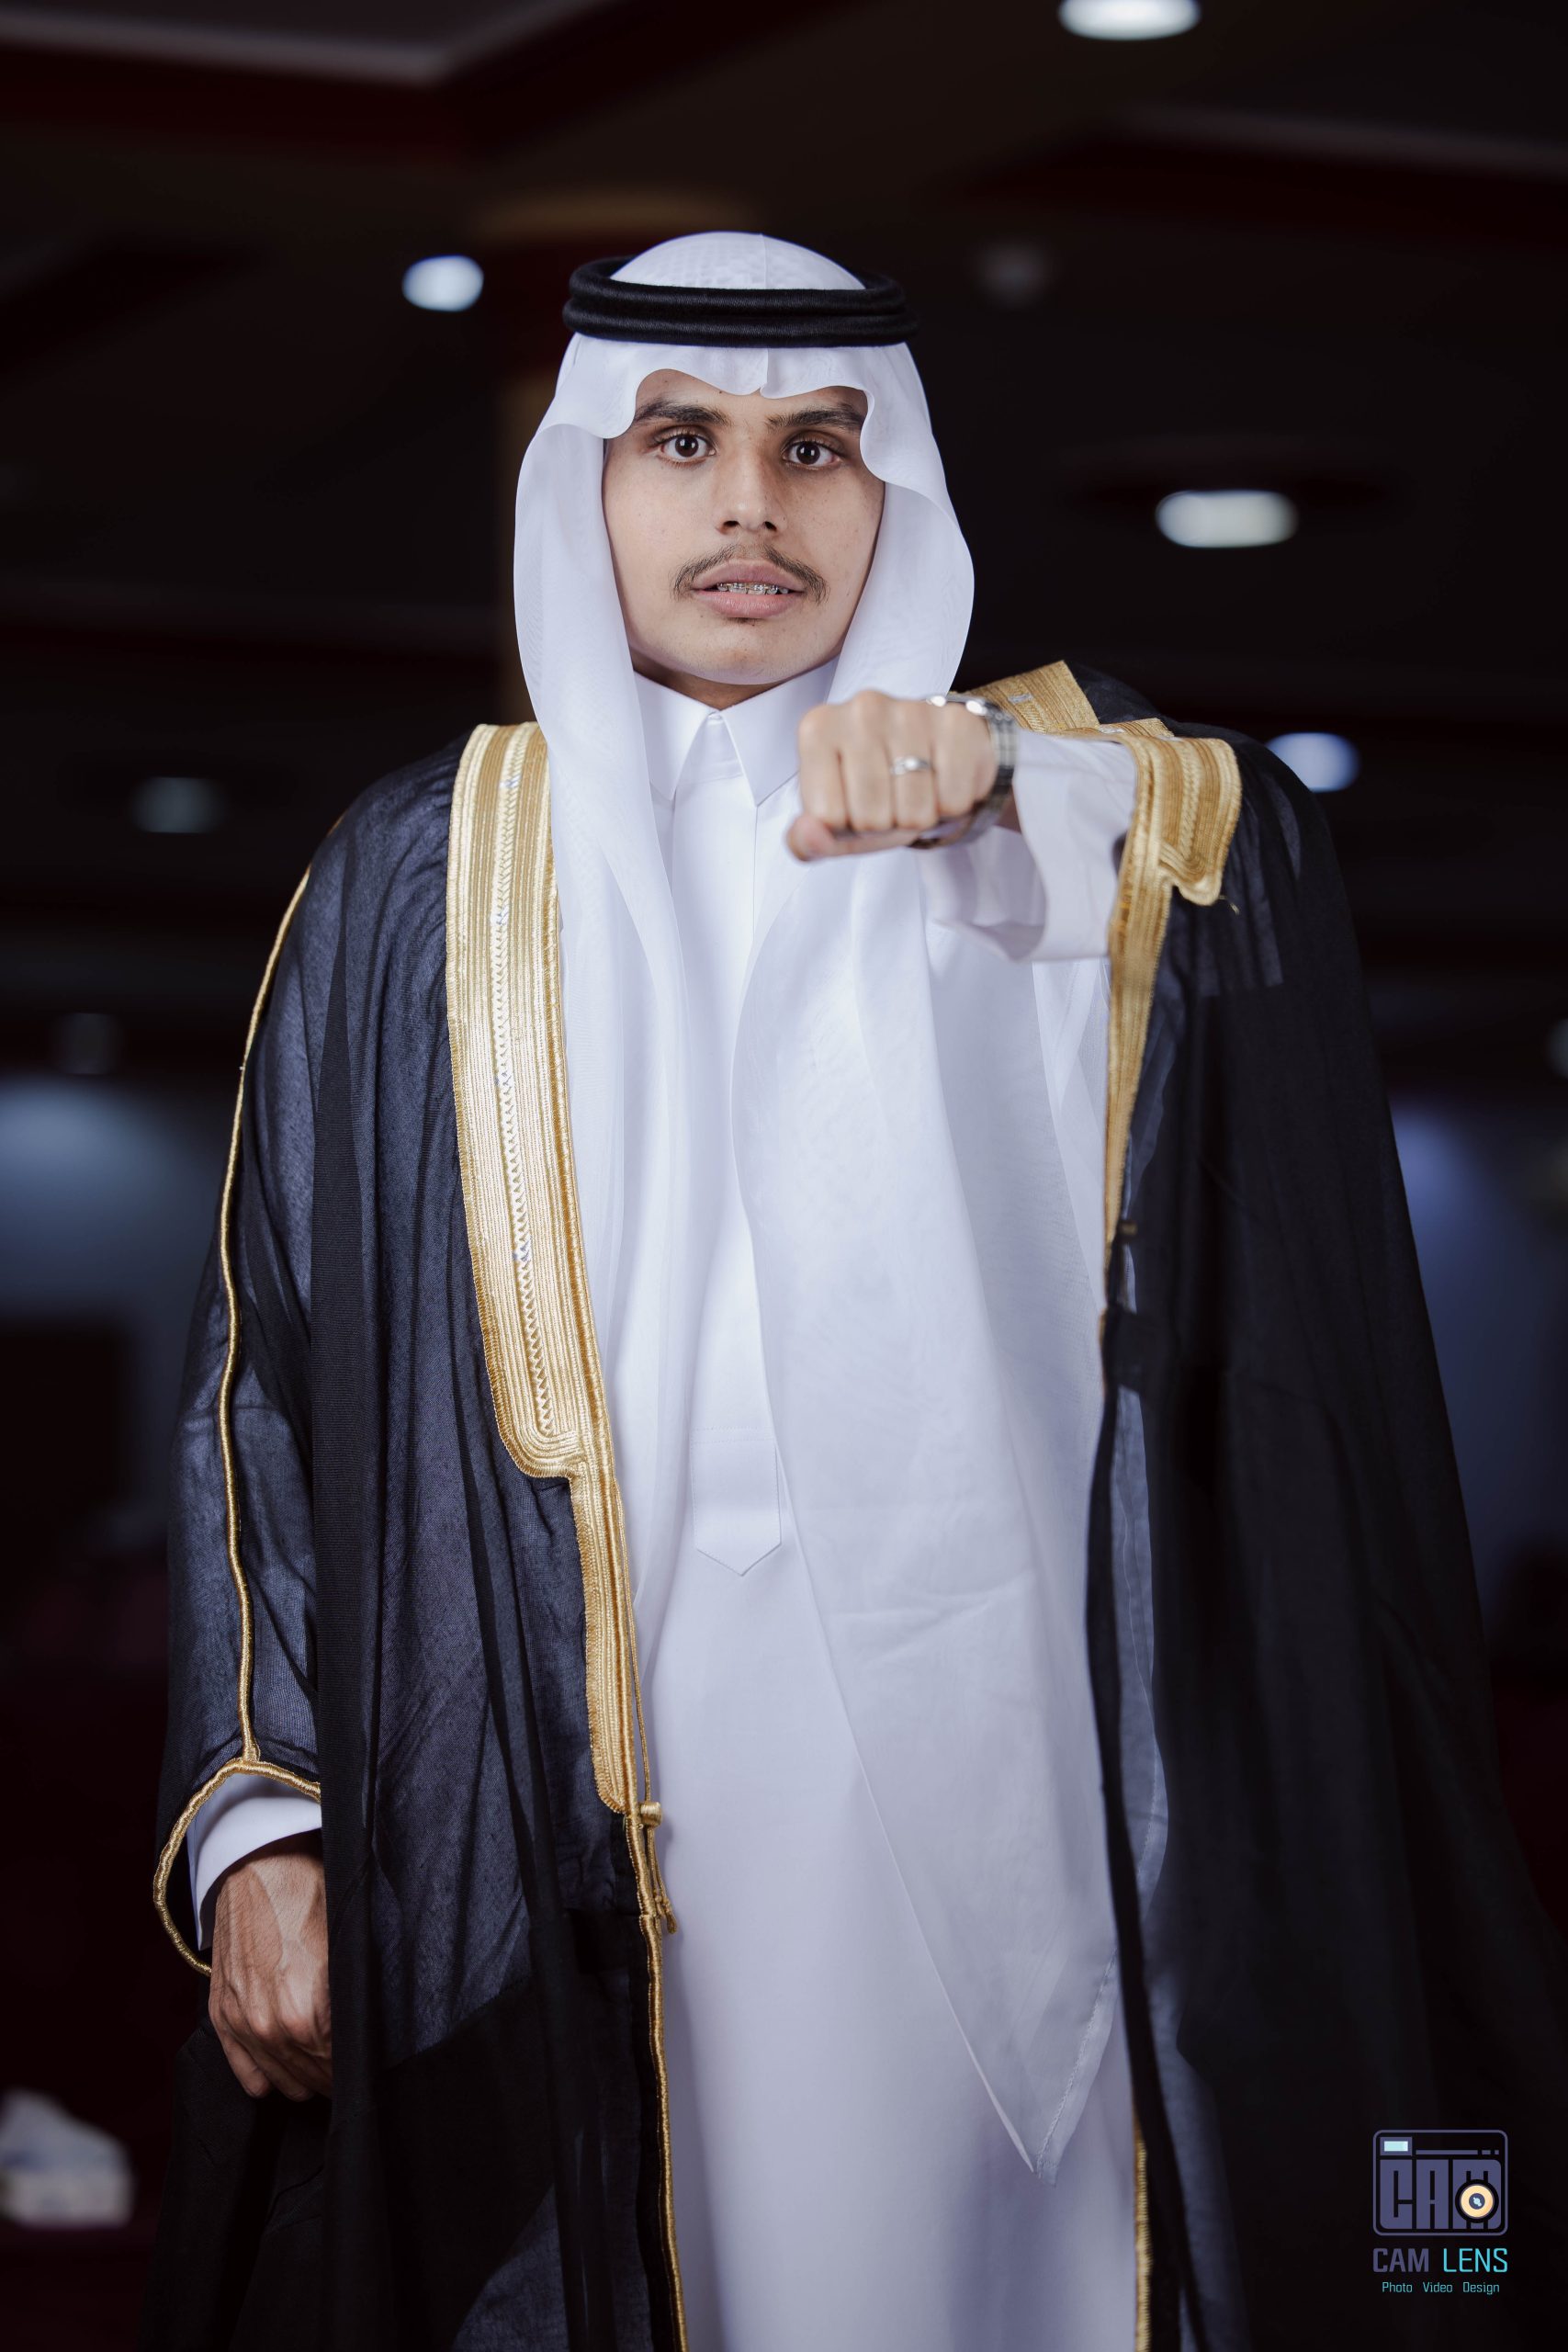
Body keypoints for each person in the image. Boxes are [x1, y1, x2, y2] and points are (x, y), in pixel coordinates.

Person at [143, 235, 1568, 2352]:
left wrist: (998, 780)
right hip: (556, 1801)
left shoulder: (1046, 821)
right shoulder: (419, 873)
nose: (750, 506)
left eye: (816, 447)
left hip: (1030, 1797)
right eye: (680, 443)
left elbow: (1228, 858)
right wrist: (268, 1818)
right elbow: (265, 1374)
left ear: (892, 488)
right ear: (580, 480)